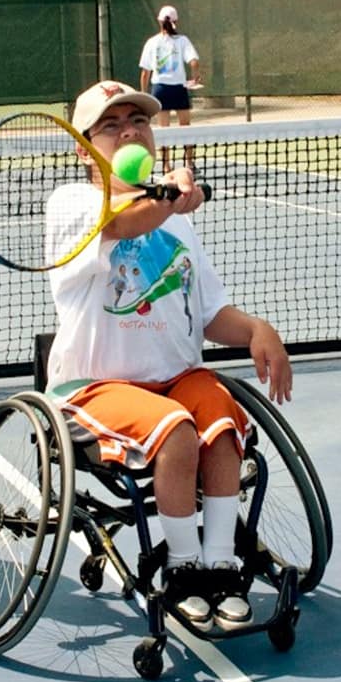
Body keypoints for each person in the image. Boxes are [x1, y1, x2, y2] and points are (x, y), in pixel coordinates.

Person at [43, 80, 293, 633]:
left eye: (138, 121)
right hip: (93, 388)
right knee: (176, 430)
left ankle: (220, 563)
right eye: (112, 125)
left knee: (221, 417)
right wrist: (171, 191)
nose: (130, 130)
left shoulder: (177, 220)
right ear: (85, 148)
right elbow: (119, 222)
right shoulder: (74, 204)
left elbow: (210, 315)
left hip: (175, 378)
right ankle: (182, 570)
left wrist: (258, 328)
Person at [138, 5, 201, 172]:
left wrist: (144, 95)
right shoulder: (183, 41)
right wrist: (195, 77)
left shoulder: (151, 42)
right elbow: (194, 62)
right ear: (176, 22)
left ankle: (166, 166)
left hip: (160, 90)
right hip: (179, 90)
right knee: (185, 127)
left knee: (163, 131)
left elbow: (145, 73)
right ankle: (189, 163)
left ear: (160, 22)